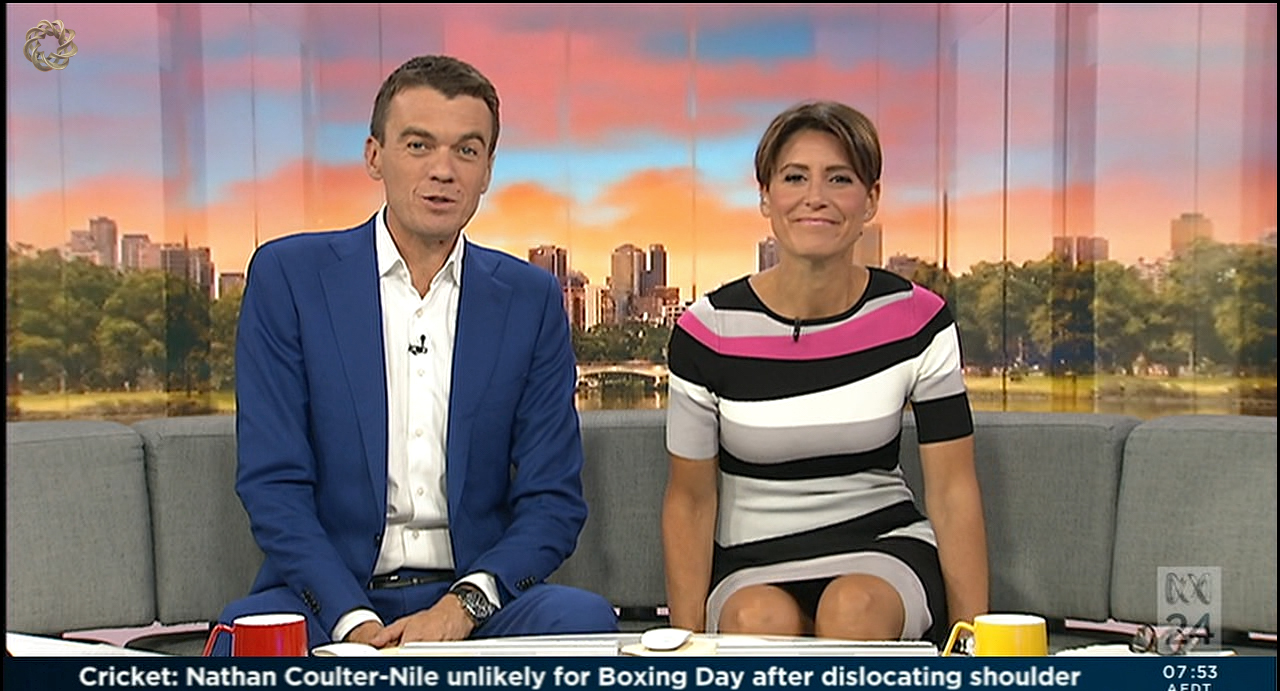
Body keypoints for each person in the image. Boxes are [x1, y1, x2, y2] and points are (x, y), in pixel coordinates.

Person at [212, 55, 619, 654]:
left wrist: (463, 607)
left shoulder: (529, 300)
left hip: (474, 601)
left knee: (582, 622)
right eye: (419, 145)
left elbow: (552, 500)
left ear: (487, 170)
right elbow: (274, 486)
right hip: (328, 600)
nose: (443, 171)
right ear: (374, 155)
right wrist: (355, 623)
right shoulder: (290, 278)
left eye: (467, 150)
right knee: (245, 639)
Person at [661, 100, 988, 646]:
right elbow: (690, 500)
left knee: (853, 610)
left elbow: (953, 491)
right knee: (759, 621)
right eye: (795, 178)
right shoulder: (707, 330)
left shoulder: (917, 319)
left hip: (883, 550)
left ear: (870, 199)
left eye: (840, 178)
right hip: (751, 562)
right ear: (765, 196)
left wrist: (976, 649)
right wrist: (685, 647)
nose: (816, 196)